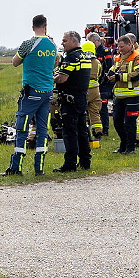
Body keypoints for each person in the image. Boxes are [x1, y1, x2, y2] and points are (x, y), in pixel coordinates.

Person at [1, 14, 58, 177]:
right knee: (42, 129)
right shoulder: (52, 44)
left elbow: (15, 62)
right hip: (47, 92)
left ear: (33, 27)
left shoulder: (28, 44)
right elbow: (56, 61)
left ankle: (16, 167)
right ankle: (39, 168)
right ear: (46, 26)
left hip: (31, 92)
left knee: (22, 129)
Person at [53, 31, 92, 172]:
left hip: (70, 100)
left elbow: (62, 78)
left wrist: (55, 78)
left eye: (65, 41)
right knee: (82, 130)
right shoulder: (85, 56)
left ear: (74, 41)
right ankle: (85, 161)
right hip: (81, 99)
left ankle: (70, 164)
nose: (62, 43)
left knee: (70, 132)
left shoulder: (71, 57)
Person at [110, 33, 139, 153]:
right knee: (117, 121)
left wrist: (118, 77)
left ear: (130, 44)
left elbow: (138, 74)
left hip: (133, 95)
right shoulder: (119, 56)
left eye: (122, 47)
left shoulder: (138, 56)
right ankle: (123, 145)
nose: (119, 49)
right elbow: (114, 68)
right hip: (120, 95)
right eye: (118, 47)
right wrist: (110, 74)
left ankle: (130, 148)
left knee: (130, 122)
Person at [81, 39, 103, 143]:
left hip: (83, 90)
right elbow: (99, 74)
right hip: (95, 91)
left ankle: (85, 132)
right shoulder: (97, 62)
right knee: (95, 112)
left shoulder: (82, 60)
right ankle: (98, 132)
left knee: (82, 112)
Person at [97, 38, 117, 137]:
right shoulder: (95, 52)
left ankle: (105, 129)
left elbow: (110, 67)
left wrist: (105, 80)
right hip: (97, 85)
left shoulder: (105, 51)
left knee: (103, 107)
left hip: (104, 85)